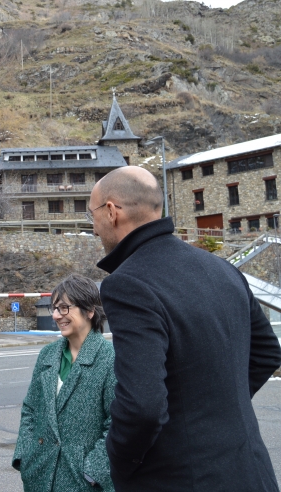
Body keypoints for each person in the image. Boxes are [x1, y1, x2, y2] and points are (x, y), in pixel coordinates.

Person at [90, 166, 281, 491]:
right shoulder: (221, 267)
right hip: (253, 472)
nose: (93, 229)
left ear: (111, 211)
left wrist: (119, 466)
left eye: (91, 215)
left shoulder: (127, 283)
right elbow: (267, 352)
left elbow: (143, 407)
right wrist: (211, 409)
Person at [13, 274, 116, 492]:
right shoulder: (47, 355)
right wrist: (25, 457)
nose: (56, 315)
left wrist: (93, 471)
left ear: (90, 311)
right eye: (54, 308)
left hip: (83, 482)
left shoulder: (110, 358)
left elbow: (117, 424)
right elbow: (30, 409)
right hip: (40, 476)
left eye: (64, 308)